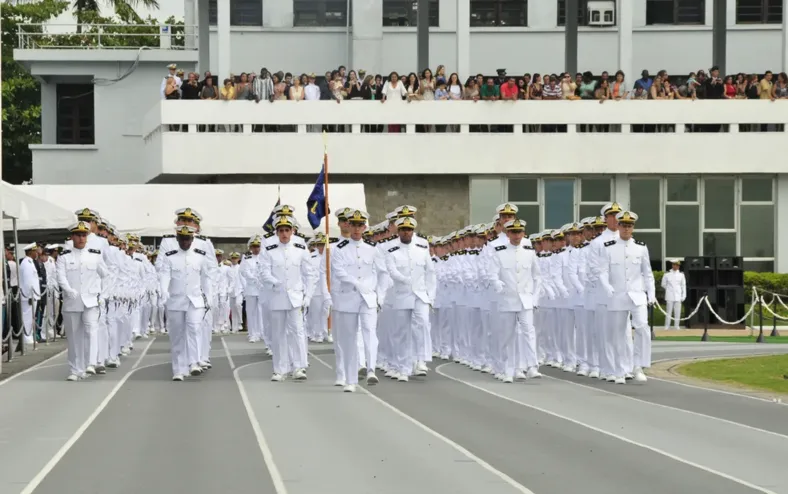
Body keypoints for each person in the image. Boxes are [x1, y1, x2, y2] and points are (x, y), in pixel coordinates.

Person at [594, 211, 655, 385]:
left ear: (633, 228)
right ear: (619, 226)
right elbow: (602, 271)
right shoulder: (609, 247)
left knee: (642, 328)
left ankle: (638, 366)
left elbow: (647, 273)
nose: (626, 229)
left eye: (630, 226)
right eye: (624, 225)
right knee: (618, 334)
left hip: (637, 295)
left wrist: (651, 293)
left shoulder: (641, 247)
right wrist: (607, 287)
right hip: (617, 296)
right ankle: (619, 370)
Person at [258, 216, 318, 382]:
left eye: (287, 230)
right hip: (277, 296)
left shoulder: (300, 249)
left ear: (292, 231)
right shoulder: (269, 250)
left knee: (297, 332)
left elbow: (309, 274)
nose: (284, 233)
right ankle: (280, 369)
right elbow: (264, 272)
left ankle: (299, 367)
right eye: (281, 230)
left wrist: (308, 295)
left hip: (296, 297)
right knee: (278, 334)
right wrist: (275, 282)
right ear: (277, 232)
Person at [329, 210, 382, 392]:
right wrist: (357, 284)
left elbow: (380, 271)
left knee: (369, 331)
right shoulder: (340, 249)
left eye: (360, 225)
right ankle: (351, 380)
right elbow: (339, 271)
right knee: (349, 338)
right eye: (354, 225)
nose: (357, 229)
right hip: (348, 298)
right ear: (349, 226)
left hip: (368, 298)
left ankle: (371, 369)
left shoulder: (373, 248)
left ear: (365, 227)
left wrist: (377, 292)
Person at [485, 219, 543, 383]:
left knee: (528, 332)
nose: (517, 236)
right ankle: (508, 369)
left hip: (526, 300)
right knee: (507, 336)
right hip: (507, 299)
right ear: (508, 233)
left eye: (520, 232)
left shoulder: (529, 251)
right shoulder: (499, 251)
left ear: (523, 233)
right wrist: (498, 284)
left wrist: (535, 298)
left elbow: (537, 276)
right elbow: (492, 274)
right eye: (514, 232)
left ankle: (532, 366)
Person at [158, 225, 214, 381]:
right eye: (182, 239)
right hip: (175, 300)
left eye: (188, 239)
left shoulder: (200, 256)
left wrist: (209, 297)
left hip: (195, 300)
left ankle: (194, 362)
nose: (185, 242)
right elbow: (164, 275)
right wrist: (164, 291)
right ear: (177, 239)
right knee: (177, 335)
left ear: (192, 239)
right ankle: (179, 369)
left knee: (194, 328)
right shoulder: (170, 257)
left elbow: (206, 278)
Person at [384, 216, 436, 382]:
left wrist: (431, 296)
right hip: (402, 295)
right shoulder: (391, 250)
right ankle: (402, 367)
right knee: (402, 332)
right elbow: (392, 271)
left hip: (420, 295)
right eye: (403, 230)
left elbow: (430, 272)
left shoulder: (422, 248)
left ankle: (420, 360)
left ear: (413, 231)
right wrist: (407, 280)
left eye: (409, 229)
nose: (406, 232)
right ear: (398, 231)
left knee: (423, 325)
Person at [56, 222, 110, 381]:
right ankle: (75, 370)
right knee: (74, 337)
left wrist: (103, 295)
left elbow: (106, 275)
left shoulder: (94, 254)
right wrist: (68, 289)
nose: (81, 238)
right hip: (72, 302)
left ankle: (90, 363)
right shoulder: (64, 256)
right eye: (78, 235)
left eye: (84, 235)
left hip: (91, 301)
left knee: (91, 330)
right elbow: (60, 276)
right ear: (72, 237)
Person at [19, 243, 41, 346]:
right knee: (27, 317)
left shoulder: (30, 262)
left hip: (32, 295)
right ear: (30, 252)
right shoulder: (26, 263)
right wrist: (29, 296)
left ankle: (29, 336)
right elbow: (28, 282)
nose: (37, 253)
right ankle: (27, 337)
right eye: (35, 251)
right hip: (28, 296)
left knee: (31, 317)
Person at [661, 259, 686, 330]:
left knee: (677, 312)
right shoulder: (667, 274)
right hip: (670, 295)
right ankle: (667, 325)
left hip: (678, 296)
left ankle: (676, 326)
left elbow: (683, 286)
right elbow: (663, 284)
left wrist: (683, 295)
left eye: (677, 265)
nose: (676, 266)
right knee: (668, 311)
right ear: (672, 265)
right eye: (675, 265)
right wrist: (669, 289)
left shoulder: (681, 275)